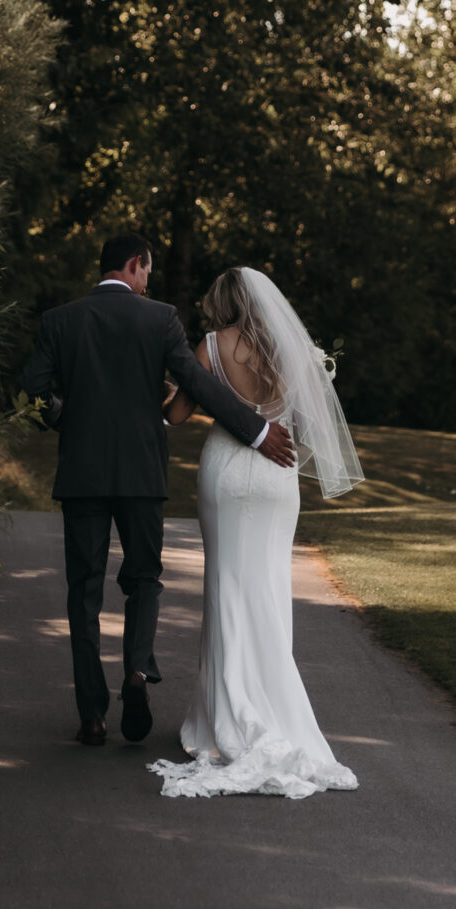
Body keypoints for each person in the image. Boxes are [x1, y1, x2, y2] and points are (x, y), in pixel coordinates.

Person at [21, 232, 296, 746]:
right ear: (132, 265)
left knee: (83, 591)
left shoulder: (60, 320)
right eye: (147, 270)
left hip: (81, 477)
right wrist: (257, 432)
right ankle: (137, 674)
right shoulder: (159, 318)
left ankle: (93, 714)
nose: (149, 280)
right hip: (142, 476)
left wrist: (68, 420)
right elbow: (200, 382)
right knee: (143, 579)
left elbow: (32, 390)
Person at [149, 265, 364, 799]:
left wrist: (151, 381)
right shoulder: (294, 353)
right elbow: (307, 413)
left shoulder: (211, 348)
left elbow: (176, 415)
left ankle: (228, 717)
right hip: (277, 474)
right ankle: (274, 707)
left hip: (227, 470)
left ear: (224, 301)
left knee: (226, 590)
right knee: (268, 591)